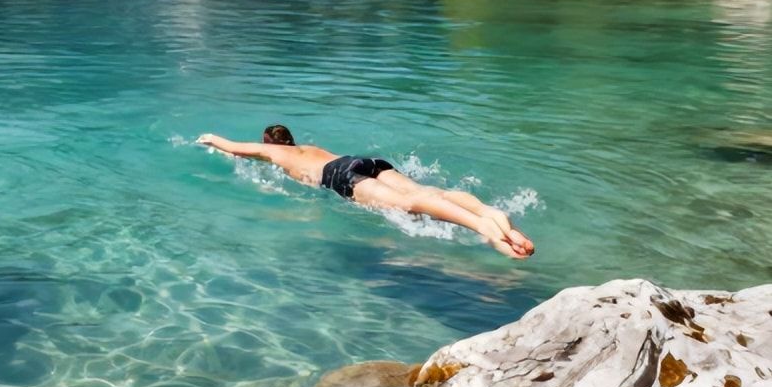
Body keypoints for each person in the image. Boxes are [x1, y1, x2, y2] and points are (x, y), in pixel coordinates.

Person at [196, 125, 535, 259]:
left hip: (338, 175)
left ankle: (483, 229)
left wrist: (210, 139)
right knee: (429, 191)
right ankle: (486, 212)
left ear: (268, 143)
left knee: (409, 205)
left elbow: (235, 148)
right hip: (360, 161)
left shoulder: (272, 153)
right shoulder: (308, 148)